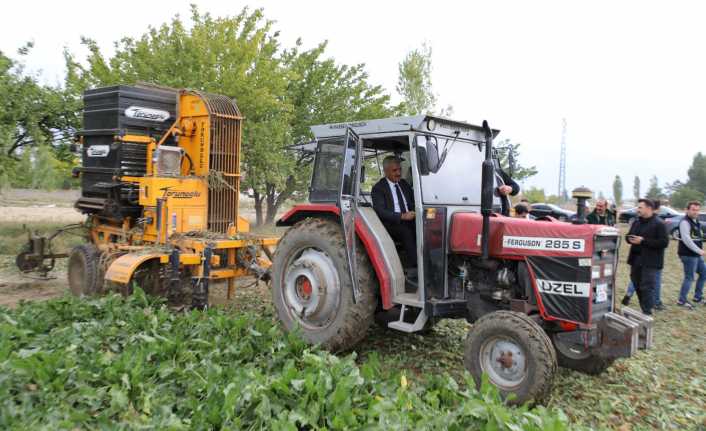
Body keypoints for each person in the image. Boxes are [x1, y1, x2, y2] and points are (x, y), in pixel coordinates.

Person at [625, 198, 669, 315]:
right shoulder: (636, 222)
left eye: (640, 207)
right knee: (637, 284)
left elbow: (664, 242)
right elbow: (628, 235)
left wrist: (643, 241)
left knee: (647, 287)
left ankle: (647, 312)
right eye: (638, 207)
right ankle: (644, 308)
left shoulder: (659, 223)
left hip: (651, 261)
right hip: (635, 259)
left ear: (649, 208)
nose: (638, 209)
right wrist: (629, 238)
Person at [371, 156, 417, 268]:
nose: (398, 173)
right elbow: (380, 212)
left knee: (427, 228)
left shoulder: (404, 184)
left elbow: (414, 201)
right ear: (386, 171)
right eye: (394, 170)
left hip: (410, 218)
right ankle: (416, 267)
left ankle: (431, 262)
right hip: (392, 223)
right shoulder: (378, 188)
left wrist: (417, 211)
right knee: (406, 231)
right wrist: (402, 216)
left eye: (399, 169)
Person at [676, 201, 705, 308]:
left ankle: (698, 297)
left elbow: (698, 238)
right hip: (688, 255)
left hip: (696, 255)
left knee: (704, 273)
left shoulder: (696, 221)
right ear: (687, 210)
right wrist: (700, 251)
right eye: (693, 209)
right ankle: (682, 300)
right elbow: (687, 240)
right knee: (689, 277)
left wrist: (699, 252)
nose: (695, 212)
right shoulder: (685, 222)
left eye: (697, 210)